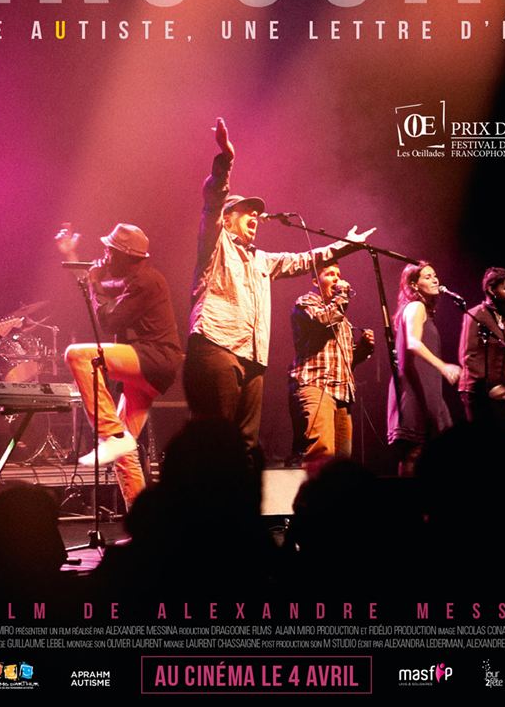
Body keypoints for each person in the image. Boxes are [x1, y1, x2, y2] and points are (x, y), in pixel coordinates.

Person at [184, 117, 375, 459]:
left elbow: (305, 260)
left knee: (246, 444)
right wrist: (226, 160)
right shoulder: (215, 243)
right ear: (227, 219)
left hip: (254, 357)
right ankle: (208, 492)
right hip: (217, 345)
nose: (255, 216)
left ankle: (241, 493)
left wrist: (347, 245)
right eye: (246, 211)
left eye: (257, 213)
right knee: (217, 438)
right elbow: (213, 200)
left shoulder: (263, 260)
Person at [56, 222, 181, 510]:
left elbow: (110, 320)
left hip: (154, 358)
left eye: (110, 251)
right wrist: (75, 259)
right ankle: (142, 523)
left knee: (77, 355)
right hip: (149, 367)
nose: (105, 255)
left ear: (124, 255)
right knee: (124, 453)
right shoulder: (134, 279)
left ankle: (112, 435)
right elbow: (99, 285)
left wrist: (92, 282)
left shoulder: (147, 281)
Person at [288, 260, 375, 461]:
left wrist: (363, 348)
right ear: (315, 282)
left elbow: (346, 361)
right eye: (329, 274)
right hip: (316, 385)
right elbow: (323, 320)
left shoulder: (341, 317)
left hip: (342, 393)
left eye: (338, 274)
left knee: (342, 461)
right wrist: (342, 295)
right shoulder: (306, 302)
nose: (336, 279)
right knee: (322, 454)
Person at [387, 261, 460, 477]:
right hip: (414, 387)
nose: (435, 280)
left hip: (425, 386)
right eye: (427, 277)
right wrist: (443, 366)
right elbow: (413, 343)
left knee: (429, 449)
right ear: (414, 285)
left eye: (435, 275)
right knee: (414, 451)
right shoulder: (415, 307)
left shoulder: (422, 310)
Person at [458, 266, 505, 422]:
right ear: (491, 289)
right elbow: (467, 356)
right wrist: (490, 386)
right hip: (476, 390)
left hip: (499, 390)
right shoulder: (476, 314)